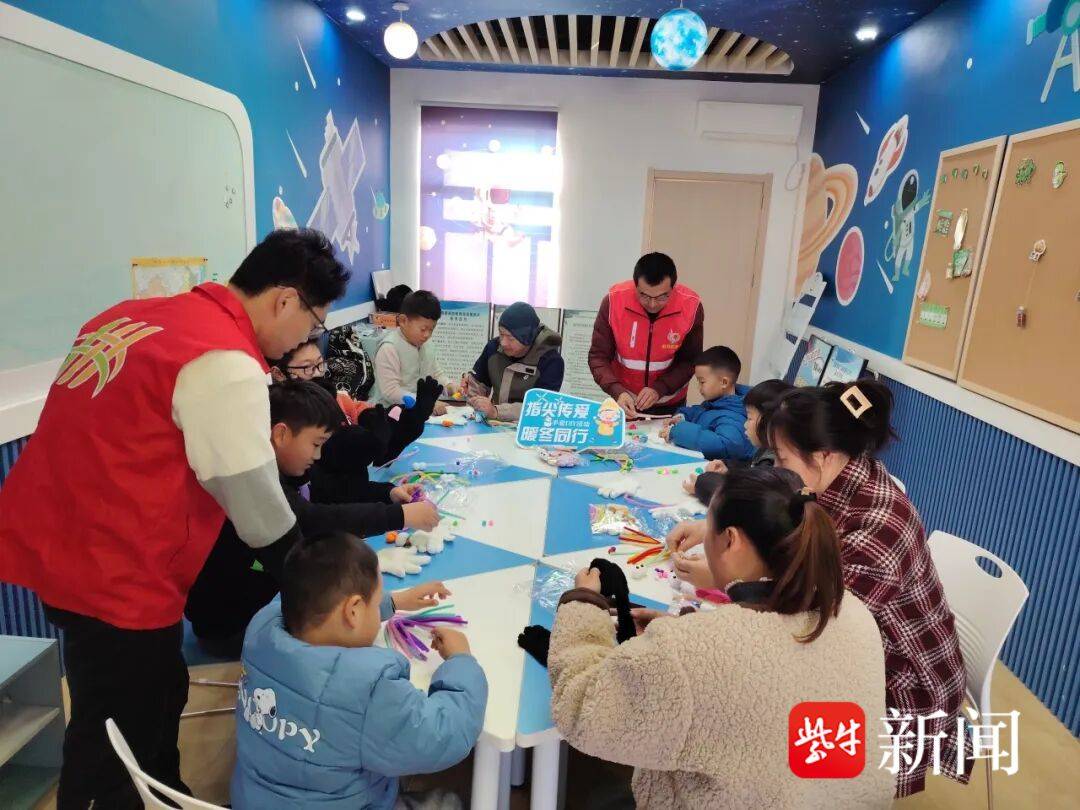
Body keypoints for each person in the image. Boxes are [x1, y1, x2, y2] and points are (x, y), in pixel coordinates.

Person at [0, 228, 348, 808]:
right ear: (285, 300)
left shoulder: (129, 316)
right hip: (115, 571)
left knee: (159, 687)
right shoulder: (223, 359)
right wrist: (315, 590)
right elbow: (258, 509)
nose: (304, 339)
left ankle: (166, 794)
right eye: (312, 325)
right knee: (112, 738)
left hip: (58, 544)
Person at [669, 381, 969, 797]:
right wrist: (714, 528)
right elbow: (788, 526)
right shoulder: (838, 479)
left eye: (784, 458)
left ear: (824, 455)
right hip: (866, 649)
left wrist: (729, 580)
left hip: (905, 692)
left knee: (748, 732)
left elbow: (812, 620)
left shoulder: (878, 525)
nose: (779, 468)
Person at [546, 467, 892, 809]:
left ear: (731, 540)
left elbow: (580, 709)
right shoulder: (854, 612)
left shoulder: (692, 653)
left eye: (708, 527)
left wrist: (584, 601)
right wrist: (682, 629)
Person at [233, 531, 487, 809]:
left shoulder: (260, 629)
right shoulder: (368, 690)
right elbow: (444, 733)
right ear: (353, 611)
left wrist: (394, 602)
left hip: (252, 800)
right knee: (448, 803)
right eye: (376, 604)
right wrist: (460, 660)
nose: (378, 609)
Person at [184, 381, 440, 654]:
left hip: (268, 607)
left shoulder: (290, 471)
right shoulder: (255, 485)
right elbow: (312, 519)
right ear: (281, 434)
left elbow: (337, 492)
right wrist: (398, 516)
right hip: (233, 628)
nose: (318, 455)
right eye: (316, 443)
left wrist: (388, 493)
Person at [588, 252, 703, 417]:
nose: (653, 304)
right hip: (625, 401)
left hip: (670, 403)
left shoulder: (690, 306)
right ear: (635, 286)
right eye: (644, 295)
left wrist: (660, 388)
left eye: (662, 297)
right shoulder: (614, 302)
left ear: (673, 288)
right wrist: (617, 391)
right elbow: (598, 356)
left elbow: (691, 360)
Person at [686, 378, 792, 503]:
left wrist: (701, 486)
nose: (745, 425)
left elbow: (744, 498)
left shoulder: (770, 463)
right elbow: (751, 470)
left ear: (769, 423)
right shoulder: (765, 451)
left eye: (750, 418)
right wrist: (728, 468)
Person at [464, 301, 564, 421]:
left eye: (510, 338)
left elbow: (541, 407)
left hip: (526, 426)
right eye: (501, 334)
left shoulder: (551, 361)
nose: (503, 343)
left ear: (527, 337)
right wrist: (474, 409)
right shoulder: (493, 349)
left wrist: (496, 411)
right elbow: (477, 384)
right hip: (492, 425)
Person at [659, 346, 755, 460]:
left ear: (724, 382)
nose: (699, 387)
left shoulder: (734, 416)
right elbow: (700, 412)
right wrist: (682, 417)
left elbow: (725, 445)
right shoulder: (716, 402)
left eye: (702, 382)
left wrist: (678, 432)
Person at [370, 290, 456, 414]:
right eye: (423, 329)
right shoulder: (389, 348)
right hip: (389, 413)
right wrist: (424, 403)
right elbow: (390, 391)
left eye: (431, 329)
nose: (427, 335)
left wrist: (449, 385)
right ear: (403, 321)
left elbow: (435, 373)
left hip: (419, 412)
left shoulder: (426, 344)